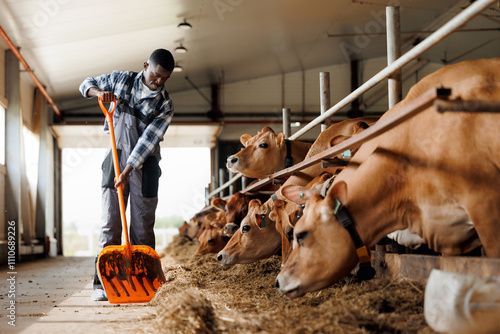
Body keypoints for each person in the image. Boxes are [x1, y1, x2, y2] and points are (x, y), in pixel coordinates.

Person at [79, 49, 175, 301]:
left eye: (165, 78)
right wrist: (99, 93)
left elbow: (147, 141)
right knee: (110, 220)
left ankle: (144, 282)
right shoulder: (121, 79)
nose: (159, 82)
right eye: (156, 75)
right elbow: (85, 84)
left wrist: (128, 169)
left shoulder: (165, 104)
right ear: (145, 66)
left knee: (142, 226)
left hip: (145, 165)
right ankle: (101, 285)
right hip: (115, 156)